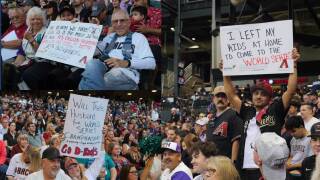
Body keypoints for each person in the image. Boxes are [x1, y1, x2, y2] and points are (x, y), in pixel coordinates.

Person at [222, 48, 300, 180]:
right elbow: (230, 95)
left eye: (263, 94)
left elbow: (290, 90)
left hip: (268, 168)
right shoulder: (247, 111)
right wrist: (226, 72)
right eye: (256, 93)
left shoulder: (276, 109)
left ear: (269, 98)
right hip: (245, 167)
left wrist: (294, 64)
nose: (259, 97)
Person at [79, 9, 156, 90]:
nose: (119, 24)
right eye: (115, 21)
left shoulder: (138, 37)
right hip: (105, 68)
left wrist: (126, 63)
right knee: (91, 64)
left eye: (122, 20)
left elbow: (152, 63)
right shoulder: (109, 37)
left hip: (125, 72)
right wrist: (91, 30)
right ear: (112, 24)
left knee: (86, 84)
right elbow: (91, 50)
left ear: (129, 22)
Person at [206, 86, 242, 162]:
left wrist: (233, 162)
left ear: (228, 99)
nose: (220, 99)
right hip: (212, 161)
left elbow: (236, 141)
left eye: (223, 96)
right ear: (213, 99)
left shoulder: (233, 114)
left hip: (225, 162)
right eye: (218, 96)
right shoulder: (212, 117)